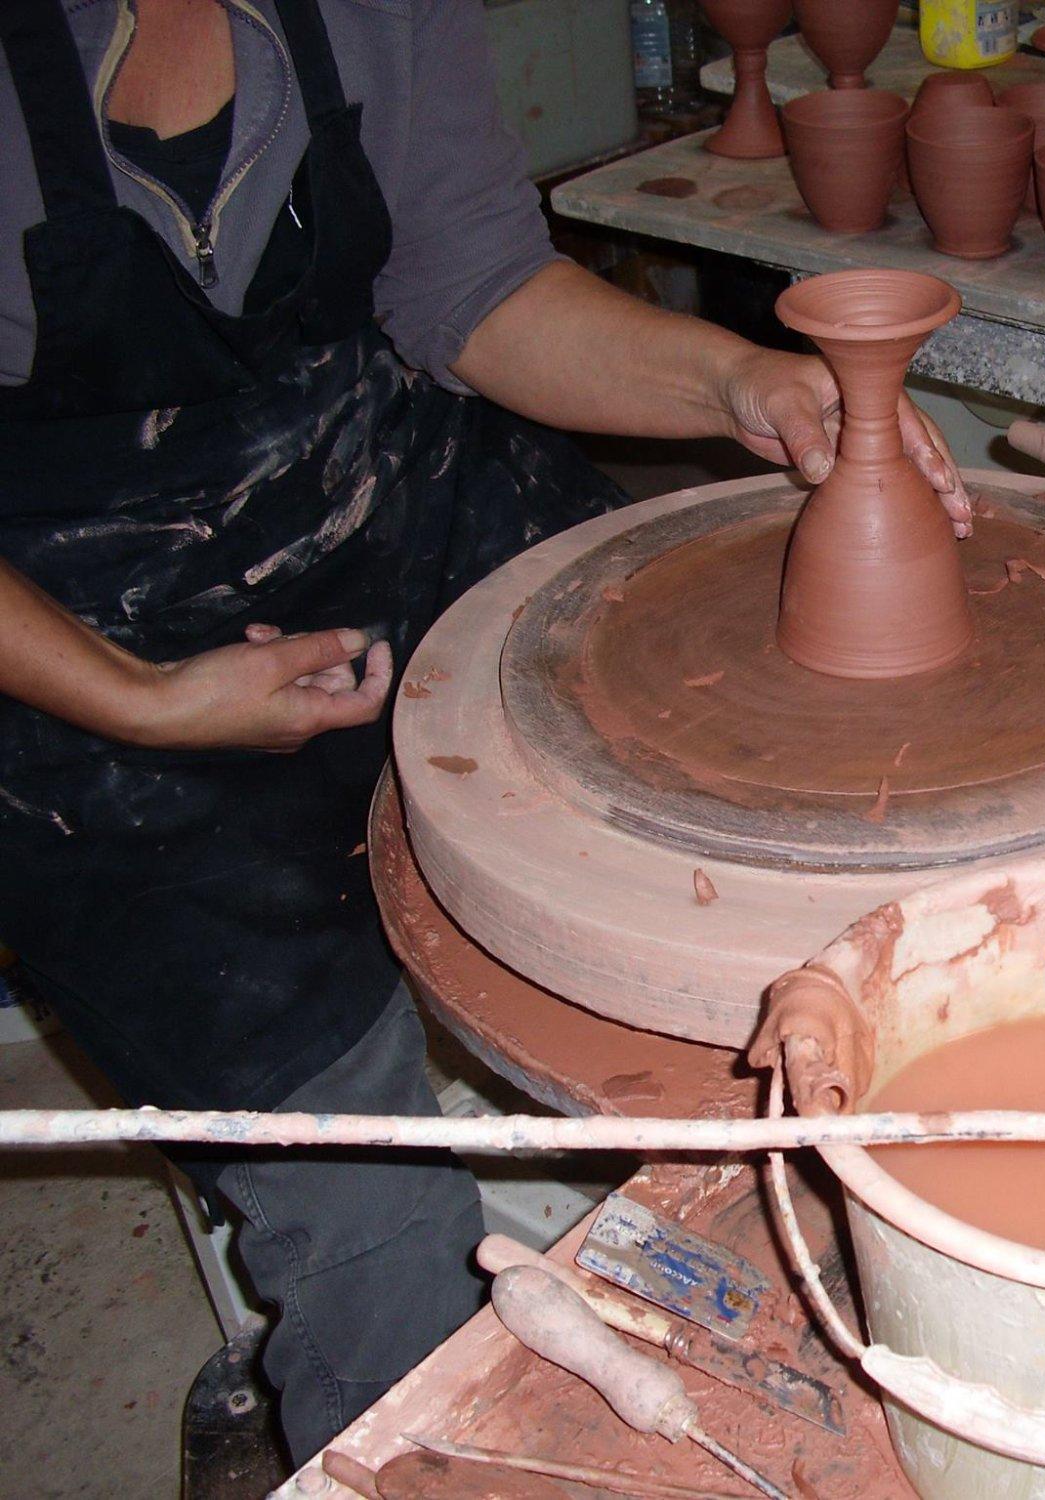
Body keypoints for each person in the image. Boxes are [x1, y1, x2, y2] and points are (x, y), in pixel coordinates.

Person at [0, 0, 970, 1460]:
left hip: (387, 496)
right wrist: (139, 697)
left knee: (775, 874)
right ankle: (380, 1385)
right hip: (81, 647)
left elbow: (473, 282)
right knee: (366, 1176)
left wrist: (735, 381)